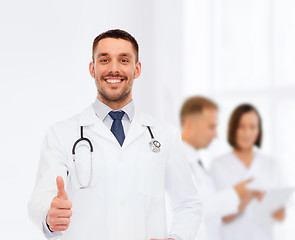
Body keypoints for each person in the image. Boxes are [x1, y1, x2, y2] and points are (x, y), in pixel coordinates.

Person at [28, 29, 202, 240]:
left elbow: (188, 203)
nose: (113, 69)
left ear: (136, 69)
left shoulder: (165, 136)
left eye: (123, 60)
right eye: (104, 60)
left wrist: (177, 238)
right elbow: (41, 198)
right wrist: (49, 216)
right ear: (92, 69)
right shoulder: (61, 134)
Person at [180, 96, 253, 240]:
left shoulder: (197, 162)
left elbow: (210, 209)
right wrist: (234, 194)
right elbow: (188, 210)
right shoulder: (176, 161)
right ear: (189, 124)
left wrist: (240, 201)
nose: (216, 135)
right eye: (211, 127)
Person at [210, 103, 285, 240]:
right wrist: (250, 194)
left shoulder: (272, 165)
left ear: (259, 130)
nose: (247, 133)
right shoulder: (218, 165)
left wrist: (273, 206)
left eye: (252, 127)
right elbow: (223, 216)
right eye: (241, 127)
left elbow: (280, 216)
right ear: (233, 129)